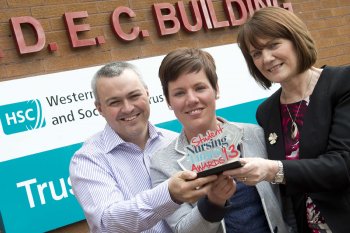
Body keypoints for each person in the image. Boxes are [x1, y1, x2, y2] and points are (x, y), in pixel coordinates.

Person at [224, 6, 350, 233]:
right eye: (256, 53)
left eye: (273, 45)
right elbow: (288, 194)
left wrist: (272, 170)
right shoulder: (266, 111)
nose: (267, 58)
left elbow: (342, 165)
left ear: (296, 39)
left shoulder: (343, 83)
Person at [150, 48, 290, 233]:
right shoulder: (162, 163)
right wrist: (213, 203)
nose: (191, 99)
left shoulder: (256, 135)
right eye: (179, 93)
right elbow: (182, 229)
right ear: (168, 101)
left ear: (216, 89)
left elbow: (289, 198)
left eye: (200, 88)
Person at [69, 61, 219, 233]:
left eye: (134, 96)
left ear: (147, 94)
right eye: (115, 102)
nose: (128, 108)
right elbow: (108, 222)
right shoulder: (88, 160)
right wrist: (169, 194)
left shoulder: (175, 141)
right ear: (100, 109)